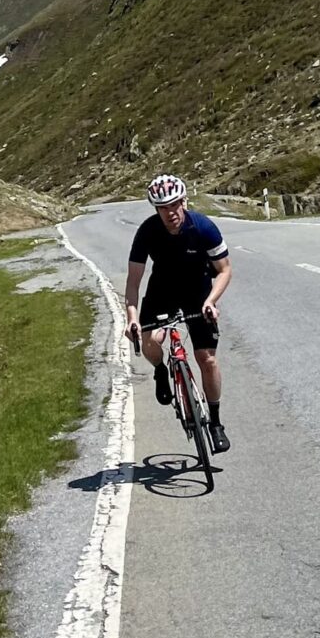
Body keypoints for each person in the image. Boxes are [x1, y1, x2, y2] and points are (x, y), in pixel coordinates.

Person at [124, 173, 232, 453]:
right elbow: (133, 281)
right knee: (149, 342)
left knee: (206, 359)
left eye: (174, 205)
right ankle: (161, 370)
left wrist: (211, 301)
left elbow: (224, 270)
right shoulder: (147, 232)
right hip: (162, 289)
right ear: (156, 209)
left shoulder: (203, 227)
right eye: (163, 207)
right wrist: (132, 318)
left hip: (198, 292)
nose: (170, 212)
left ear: (184, 201)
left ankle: (216, 423)